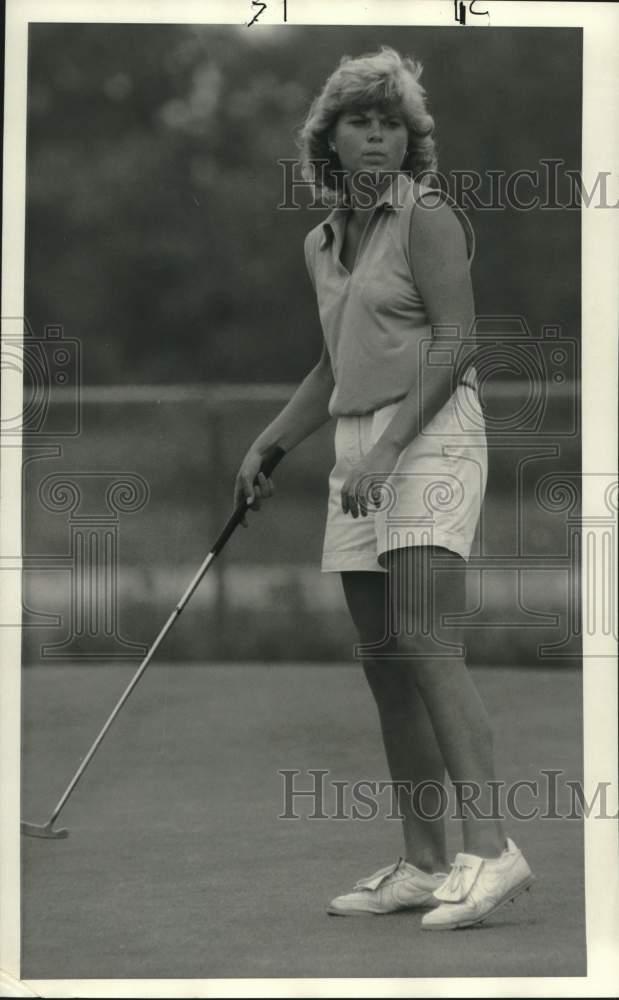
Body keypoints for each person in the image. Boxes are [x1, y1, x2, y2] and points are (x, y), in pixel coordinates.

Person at [233, 46, 533, 930]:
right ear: (327, 140)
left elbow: (456, 341)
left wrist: (387, 451)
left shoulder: (426, 218)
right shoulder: (323, 240)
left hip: (432, 432)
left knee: (426, 640)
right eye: (360, 122)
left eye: (391, 122)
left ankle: (493, 852)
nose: (377, 136)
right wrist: (270, 443)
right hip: (361, 444)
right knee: (385, 665)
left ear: (410, 140)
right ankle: (424, 860)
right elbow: (335, 366)